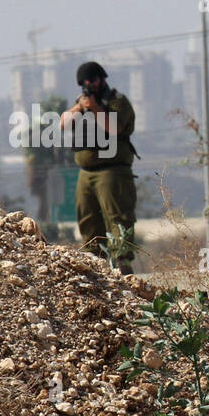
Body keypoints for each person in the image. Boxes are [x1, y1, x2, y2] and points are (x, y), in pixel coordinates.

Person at [60, 61, 138, 274]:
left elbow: (114, 128)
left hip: (111, 171)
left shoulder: (117, 102)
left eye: (92, 80)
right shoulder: (82, 105)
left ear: (102, 79)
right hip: (86, 174)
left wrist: (95, 108)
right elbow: (63, 124)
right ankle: (95, 265)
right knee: (87, 219)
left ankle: (123, 266)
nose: (89, 85)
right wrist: (79, 107)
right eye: (84, 82)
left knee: (118, 219)